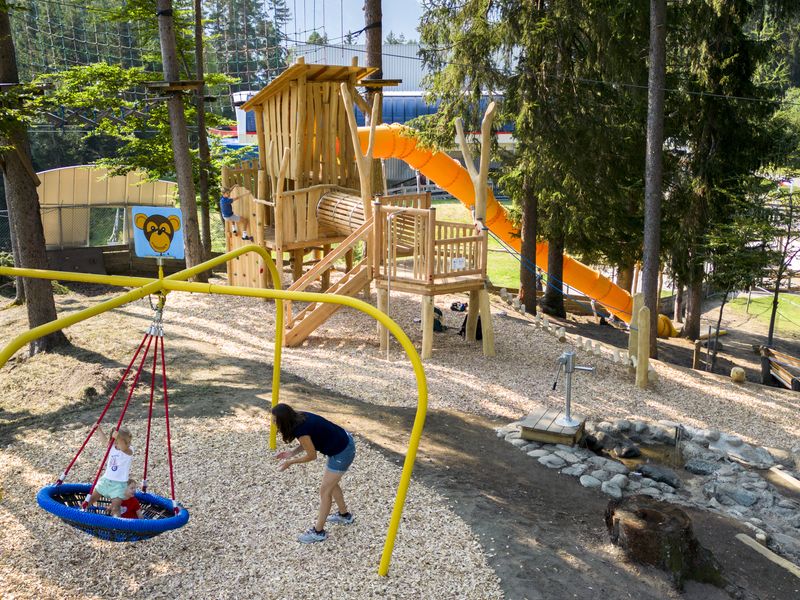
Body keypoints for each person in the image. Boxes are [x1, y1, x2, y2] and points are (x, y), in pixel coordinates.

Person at [271, 403, 356, 544]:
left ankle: (318, 532)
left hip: (342, 452)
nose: (273, 423)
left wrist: (290, 462)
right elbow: (309, 441)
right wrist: (291, 453)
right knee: (332, 485)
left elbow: (311, 455)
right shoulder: (300, 417)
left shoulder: (301, 430)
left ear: (283, 421)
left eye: (275, 420)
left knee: (325, 491)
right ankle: (344, 515)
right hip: (342, 444)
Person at [86, 425, 135, 517]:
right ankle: (81, 512)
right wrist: (99, 430)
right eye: (126, 442)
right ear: (115, 441)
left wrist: (119, 439)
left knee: (116, 507)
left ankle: (117, 525)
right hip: (106, 481)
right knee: (91, 499)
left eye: (129, 442)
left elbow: (123, 448)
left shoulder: (129, 450)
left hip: (119, 485)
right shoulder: (112, 446)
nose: (128, 444)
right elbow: (104, 442)